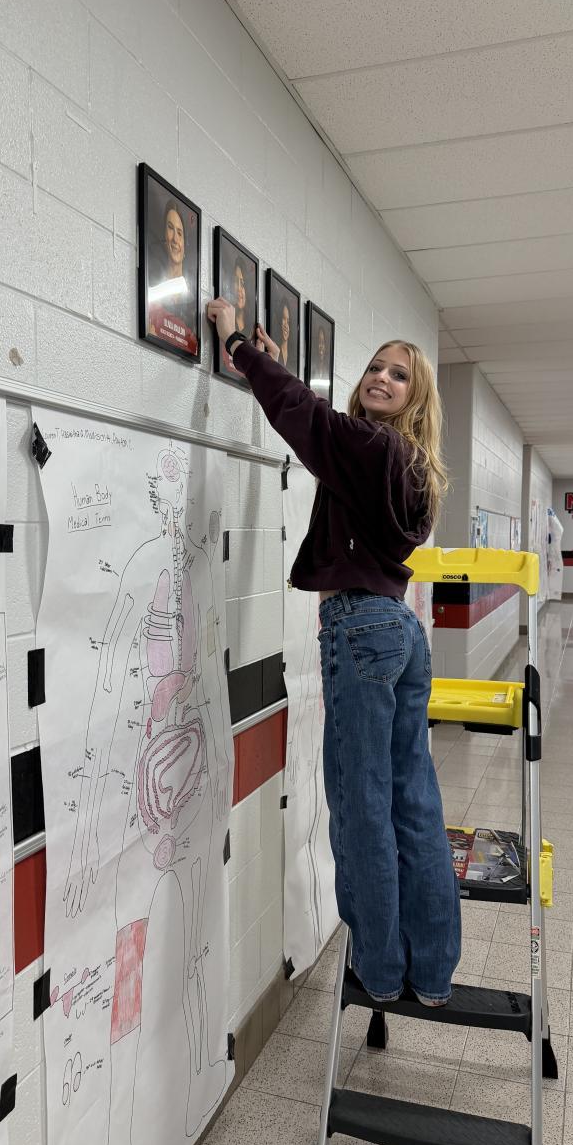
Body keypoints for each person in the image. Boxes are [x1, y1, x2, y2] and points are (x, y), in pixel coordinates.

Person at [206, 297, 460, 1007]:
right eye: (376, 367)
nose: (381, 378)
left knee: (360, 806)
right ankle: (432, 972)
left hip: (360, 626)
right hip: (400, 630)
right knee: (413, 800)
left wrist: (238, 345)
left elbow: (304, 417)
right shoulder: (412, 466)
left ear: (417, 399)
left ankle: (378, 972)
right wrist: (275, 363)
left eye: (399, 375)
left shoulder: (372, 446)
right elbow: (321, 424)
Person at [147, 199, 197, 355]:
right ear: (164, 236)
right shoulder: (152, 291)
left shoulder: (194, 303)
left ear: (184, 245)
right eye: (170, 228)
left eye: (180, 233)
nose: (175, 239)